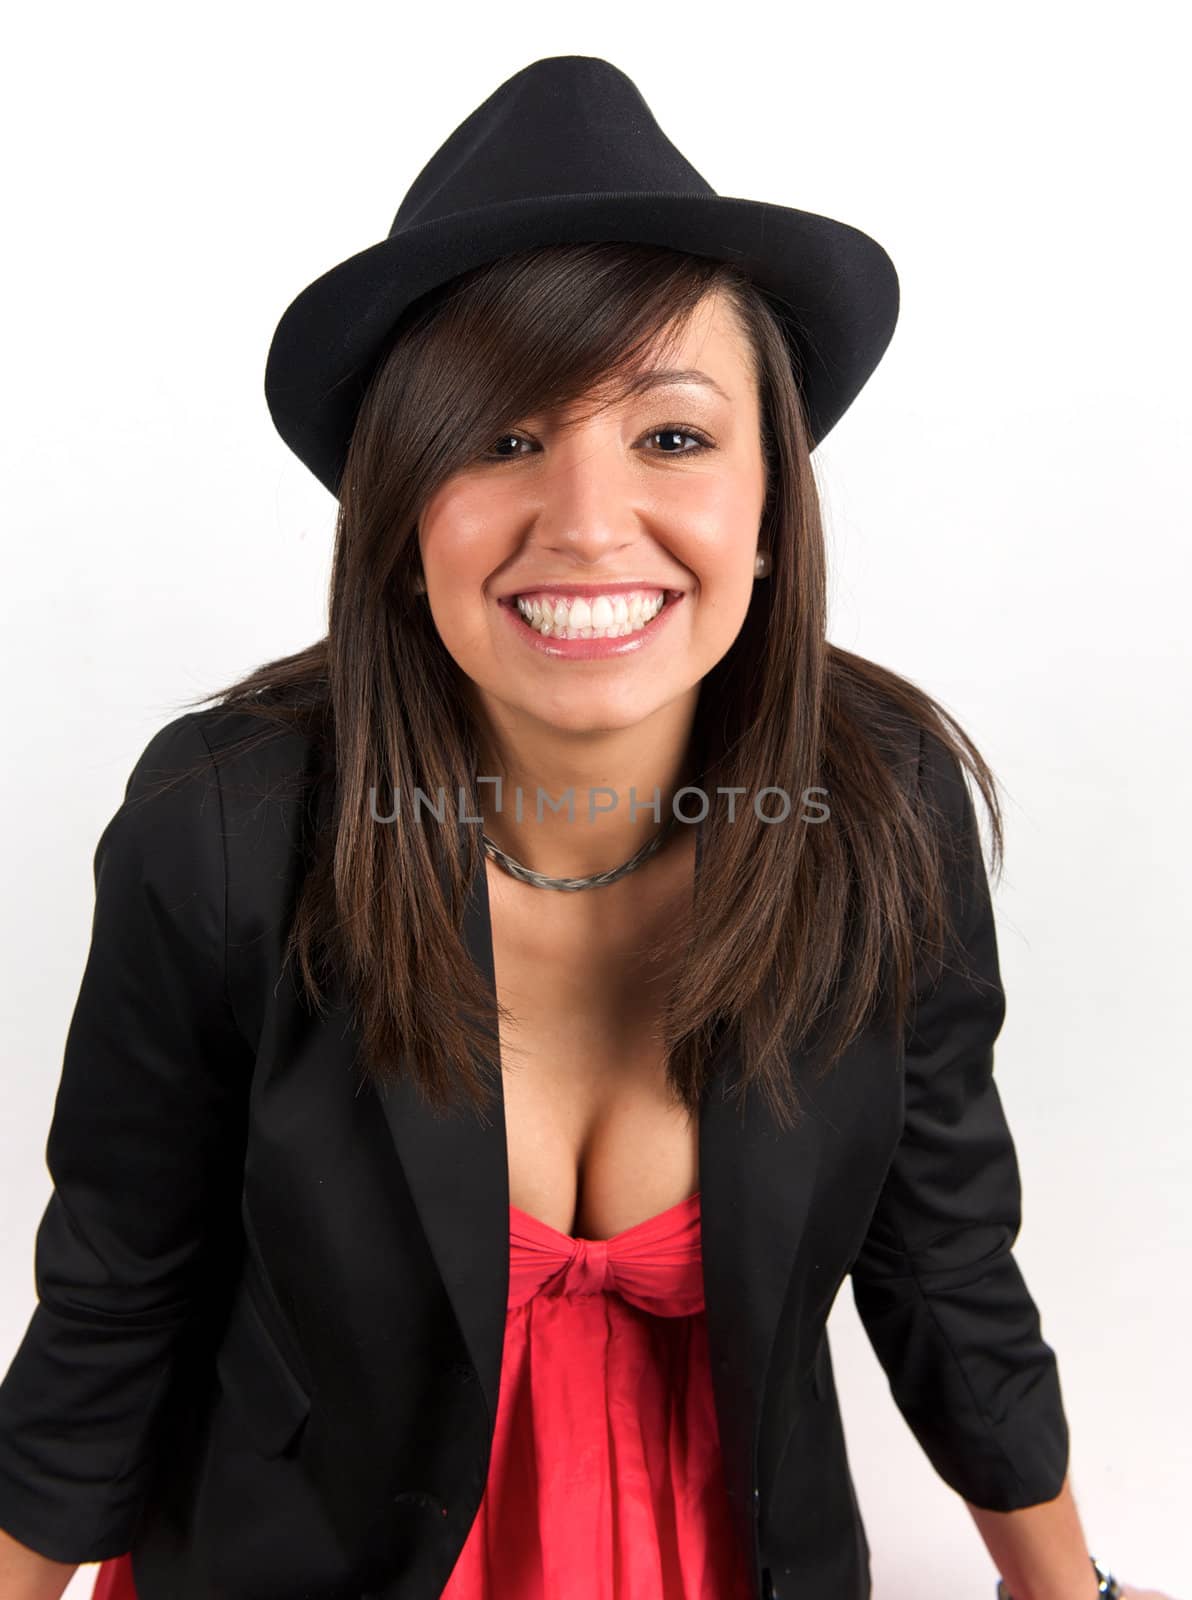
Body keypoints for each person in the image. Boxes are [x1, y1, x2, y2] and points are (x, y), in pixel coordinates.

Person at [0, 52, 1166, 1600]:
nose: (590, 521)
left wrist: (1060, 1586)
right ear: (400, 519)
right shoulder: (221, 830)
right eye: (498, 438)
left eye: (672, 436)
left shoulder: (881, 810)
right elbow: (112, 1300)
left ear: (772, 503)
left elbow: (946, 1266)